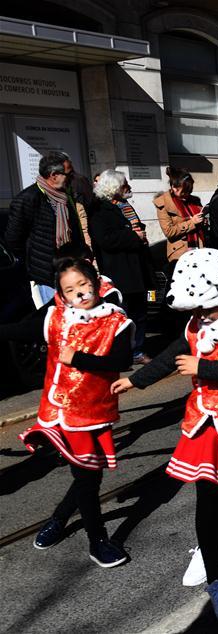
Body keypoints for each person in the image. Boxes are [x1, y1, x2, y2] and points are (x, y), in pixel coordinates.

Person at [112, 248, 218, 622]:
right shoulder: (195, 325)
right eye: (195, 312)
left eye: (204, 310)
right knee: (207, 499)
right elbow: (171, 356)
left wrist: (203, 365)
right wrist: (134, 381)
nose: (198, 318)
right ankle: (217, 578)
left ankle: (209, 551)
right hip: (204, 427)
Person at [2, 257, 133, 567]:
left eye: (84, 285)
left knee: (90, 474)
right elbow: (17, 330)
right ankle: (97, 540)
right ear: (60, 293)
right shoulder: (54, 317)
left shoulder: (116, 320)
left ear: (96, 284)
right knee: (87, 476)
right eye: (69, 289)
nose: (79, 293)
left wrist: (78, 358)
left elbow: (121, 361)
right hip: (57, 412)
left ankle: (59, 520)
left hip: (92, 412)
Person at [89, 170, 153, 365]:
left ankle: (137, 350)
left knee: (139, 313)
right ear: (114, 188)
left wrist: (138, 235)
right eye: (124, 185)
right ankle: (121, 353)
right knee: (121, 314)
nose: (129, 188)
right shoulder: (100, 211)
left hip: (137, 269)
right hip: (120, 271)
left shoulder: (124, 206)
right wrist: (134, 236)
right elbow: (105, 240)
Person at [6, 151, 85, 306]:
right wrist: (36, 263)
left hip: (70, 268)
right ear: (54, 175)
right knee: (56, 319)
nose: (72, 177)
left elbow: (74, 230)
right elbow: (13, 240)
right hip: (47, 275)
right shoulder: (28, 198)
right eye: (69, 174)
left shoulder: (64, 197)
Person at [154, 167, 205, 264]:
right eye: (184, 192)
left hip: (199, 248)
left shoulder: (194, 200)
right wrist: (191, 223)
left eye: (189, 191)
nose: (187, 195)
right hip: (180, 253)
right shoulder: (162, 203)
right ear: (174, 187)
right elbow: (169, 232)